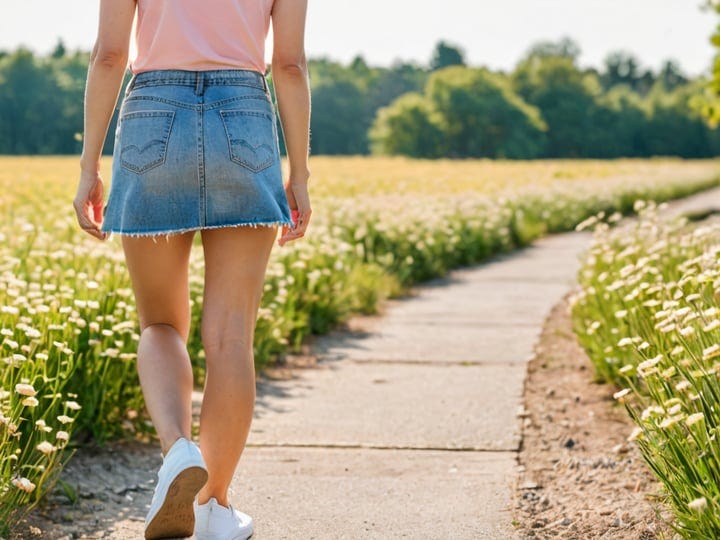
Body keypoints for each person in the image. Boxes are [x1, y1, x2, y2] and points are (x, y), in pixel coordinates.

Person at [73, 0, 311, 538]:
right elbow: (290, 65)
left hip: (152, 115)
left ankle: (178, 450)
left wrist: (88, 166)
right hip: (245, 115)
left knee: (159, 324)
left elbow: (110, 54)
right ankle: (214, 508)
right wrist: (299, 172)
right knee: (230, 336)